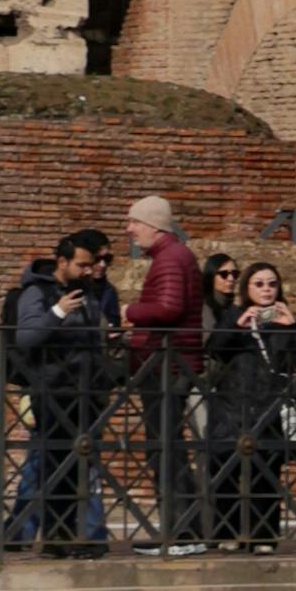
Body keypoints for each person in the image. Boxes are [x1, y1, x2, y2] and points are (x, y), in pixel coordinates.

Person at [0, 221, 119, 552]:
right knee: (54, 468)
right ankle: (57, 540)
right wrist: (57, 311)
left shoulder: (88, 293)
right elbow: (26, 338)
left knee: (77, 469)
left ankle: (72, 537)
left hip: (85, 392)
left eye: (89, 265)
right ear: (62, 262)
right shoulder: (36, 293)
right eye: (80, 265)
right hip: (52, 391)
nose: (87, 270)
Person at [120, 179, 209, 544]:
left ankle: (181, 528)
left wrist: (130, 311)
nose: (129, 229)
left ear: (153, 225)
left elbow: (170, 308)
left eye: (134, 222)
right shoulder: (172, 256)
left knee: (166, 449)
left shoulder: (171, 258)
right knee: (167, 447)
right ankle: (183, 526)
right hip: (167, 363)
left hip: (167, 365)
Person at [203, 255, 296, 547]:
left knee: (266, 476)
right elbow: (215, 349)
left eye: (272, 284)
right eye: (259, 284)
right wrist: (238, 325)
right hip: (231, 405)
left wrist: (293, 326)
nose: (266, 290)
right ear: (247, 288)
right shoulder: (233, 314)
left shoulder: (283, 320)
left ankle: (264, 537)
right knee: (226, 471)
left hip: (269, 406)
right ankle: (227, 534)